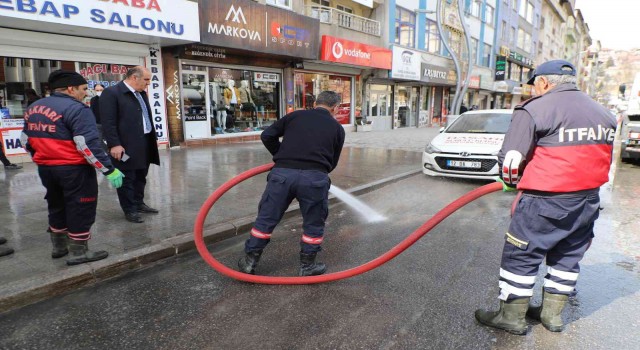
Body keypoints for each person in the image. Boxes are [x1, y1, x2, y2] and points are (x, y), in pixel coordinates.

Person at [474, 60, 617, 335]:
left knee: (521, 256)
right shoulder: (604, 113)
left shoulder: (536, 109)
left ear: (543, 83)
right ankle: (552, 316)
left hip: (544, 202)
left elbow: (511, 160)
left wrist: (512, 184)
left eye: (534, 86)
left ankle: (511, 317)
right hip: (587, 201)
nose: (534, 91)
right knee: (567, 257)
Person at [20, 70, 124, 265]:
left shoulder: (34, 106)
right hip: (74, 169)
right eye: (83, 89)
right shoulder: (77, 109)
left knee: (56, 203)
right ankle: (79, 251)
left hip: (46, 168)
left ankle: (59, 247)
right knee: (81, 206)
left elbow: (25, 140)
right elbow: (88, 145)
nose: (86, 93)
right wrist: (109, 169)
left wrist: (41, 158)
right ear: (71, 88)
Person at [238, 91, 346, 276]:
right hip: (314, 179)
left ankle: (250, 261)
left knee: (266, 218)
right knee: (313, 223)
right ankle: (307, 266)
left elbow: (267, 135)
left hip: (282, 175)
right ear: (335, 108)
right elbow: (332, 162)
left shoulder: (294, 116)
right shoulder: (337, 128)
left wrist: (282, 155)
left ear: (315, 103)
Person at [100, 66, 160, 224]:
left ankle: (139, 203)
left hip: (144, 142)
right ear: (134, 77)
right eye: (146, 79)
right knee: (127, 178)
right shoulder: (112, 93)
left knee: (141, 176)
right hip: (125, 145)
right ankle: (130, 209)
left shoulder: (141, 93)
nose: (148, 83)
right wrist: (114, 144)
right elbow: (108, 122)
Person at [90, 84, 106, 149]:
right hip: (97, 124)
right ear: (94, 90)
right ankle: (104, 156)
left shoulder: (109, 98)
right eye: (97, 90)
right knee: (99, 141)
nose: (99, 91)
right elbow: (92, 111)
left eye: (101, 90)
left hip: (108, 124)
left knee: (111, 141)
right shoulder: (93, 100)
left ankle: (123, 158)